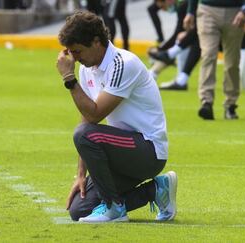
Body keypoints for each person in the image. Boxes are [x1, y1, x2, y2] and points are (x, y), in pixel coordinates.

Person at [56, 11, 177, 223]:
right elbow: (87, 117)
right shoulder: (88, 68)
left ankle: (115, 208)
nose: (74, 59)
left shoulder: (122, 63)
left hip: (148, 151)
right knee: (80, 209)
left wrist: (68, 78)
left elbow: (94, 115)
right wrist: (80, 175)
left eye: (77, 52)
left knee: (84, 134)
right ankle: (156, 190)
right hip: (120, 151)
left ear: (96, 42)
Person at [184, 0, 245, 120]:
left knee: (232, 61)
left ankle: (230, 103)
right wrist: (190, 11)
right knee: (208, 55)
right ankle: (206, 101)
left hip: (235, 11)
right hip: (207, 9)